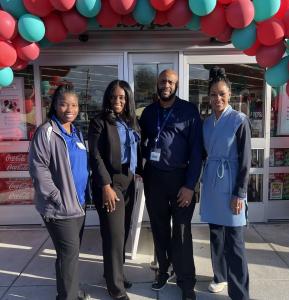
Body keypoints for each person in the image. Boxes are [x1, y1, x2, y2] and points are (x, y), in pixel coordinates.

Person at [139, 69, 203, 300]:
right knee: (159, 228)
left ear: (176, 86)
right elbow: (141, 142)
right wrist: (139, 169)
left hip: (181, 179)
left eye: (171, 82)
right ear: (157, 84)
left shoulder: (189, 111)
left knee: (182, 231)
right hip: (154, 178)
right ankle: (164, 270)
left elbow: (197, 152)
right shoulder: (148, 112)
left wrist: (189, 185)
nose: (166, 85)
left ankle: (187, 281)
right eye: (163, 81)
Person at [29, 84, 90, 300]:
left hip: (78, 204)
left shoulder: (77, 131)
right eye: (64, 104)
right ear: (55, 105)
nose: (69, 109)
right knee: (69, 254)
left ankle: (68, 292)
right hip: (60, 207)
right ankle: (69, 296)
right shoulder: (46, 132)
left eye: (73, 104)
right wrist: (57, 197)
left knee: (68, 255)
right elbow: (38, 169)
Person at [200, 66, 251, 300]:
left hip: (231, 184)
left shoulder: (239, 120)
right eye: (213, 94)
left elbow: (245, 160)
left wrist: (239, 194)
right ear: (208, 97)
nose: (217, 98)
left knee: (235, 242)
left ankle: (239, 292)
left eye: (221, 94)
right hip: (212, 182)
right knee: (216, 235)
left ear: (229, 95)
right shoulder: (207, 123)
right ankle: (219, 276)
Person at [88, 80, 142, 300]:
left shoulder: (131, 122)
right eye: (113, 97)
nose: (117, 101)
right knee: (114, 236)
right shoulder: (99, 122)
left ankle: (114, 274)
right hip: (110, 183)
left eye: (121, 97)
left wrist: (138, 170)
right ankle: (116, 289)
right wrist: (106, 185)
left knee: (121, 233)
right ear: (107, 99)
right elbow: (95, 155)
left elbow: (136, 148)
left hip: (128, 181)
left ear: (128, 99)